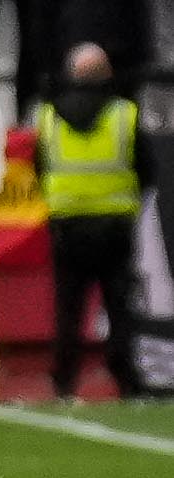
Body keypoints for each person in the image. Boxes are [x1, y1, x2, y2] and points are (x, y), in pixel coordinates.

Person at [37, 42, 151, 396]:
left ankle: (64, 380)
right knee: (119, 307)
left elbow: (39, 167)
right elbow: (147, 169)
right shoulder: (125, 114)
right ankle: (126, 377)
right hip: (115, 223)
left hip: (68, 223)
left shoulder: (49, 116)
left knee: (68, 308)